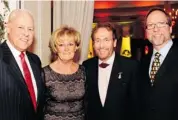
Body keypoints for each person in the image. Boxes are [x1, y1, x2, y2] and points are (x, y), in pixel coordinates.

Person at [82, 22, 139, 120]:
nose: (101, 45)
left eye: (106, 40)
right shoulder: (87, 66)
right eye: (97, 40)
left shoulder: (130, 67)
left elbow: (136, 104)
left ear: (115, 43)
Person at [0, 9, 45, 120]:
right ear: (8, 28)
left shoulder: (35, 61)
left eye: (30, 29)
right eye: (20, 27)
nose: (26, 33)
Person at [139, 7, 178, 120]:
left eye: (161, 24)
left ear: (170, 28)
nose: (155, 29)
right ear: (146, 32)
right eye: (150, 25)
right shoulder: (143, 62)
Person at [43, 25, 86, 120]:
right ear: (55, 48)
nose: (66, 49)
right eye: (61, 45)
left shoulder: (84, 71)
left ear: (76, 47)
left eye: (70, 44)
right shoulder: (44, 73)